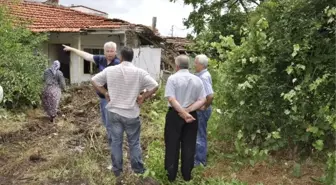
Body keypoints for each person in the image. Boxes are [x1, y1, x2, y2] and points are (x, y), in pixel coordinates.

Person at [91, 47, 159, 178]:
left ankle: (117, 170)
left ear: (120, 57)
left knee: (116, 141)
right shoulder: (140, 72)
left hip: (114, 112)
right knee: (134, 142)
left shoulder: (110, 70)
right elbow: (155, 85)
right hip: (131, 113)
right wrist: (143, 96)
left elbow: (94, 80)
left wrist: (105, 92)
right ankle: (138, 170)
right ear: (132, 58)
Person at [164, 55, 206, 182]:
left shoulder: (172, 79)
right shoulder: (197, 80)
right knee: (189, 145)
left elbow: (171, 99)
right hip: (192, 116)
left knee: (172, 145)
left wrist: (182, 112)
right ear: (189, 65)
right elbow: (202, 99)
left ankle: (171, 176)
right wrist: (188, 111)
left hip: (175, 115)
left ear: (177, 66)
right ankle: (187, 175)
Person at [63, 42, 120, 128]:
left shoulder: (117, 63)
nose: (109, 53)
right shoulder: (101, 59)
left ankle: (113, 141)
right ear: (104, 52)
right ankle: (111, 140)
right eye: (107, 51)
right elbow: (87, 56)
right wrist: (71, 49)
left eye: (112, 51)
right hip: (102, 97)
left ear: (116, 52)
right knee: (106, 122)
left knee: (110, 124)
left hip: (112, 98)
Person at [193, 54, 214, 167]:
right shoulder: (203, 74)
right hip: (201, 109)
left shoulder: (204, 77)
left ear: (201, 64)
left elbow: (210, 96)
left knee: (200, 135)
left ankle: (200, 162)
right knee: (200, 133)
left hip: (202, 111)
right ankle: (198, 157)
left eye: (196, 63)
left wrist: (204, 106)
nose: (194, 65)